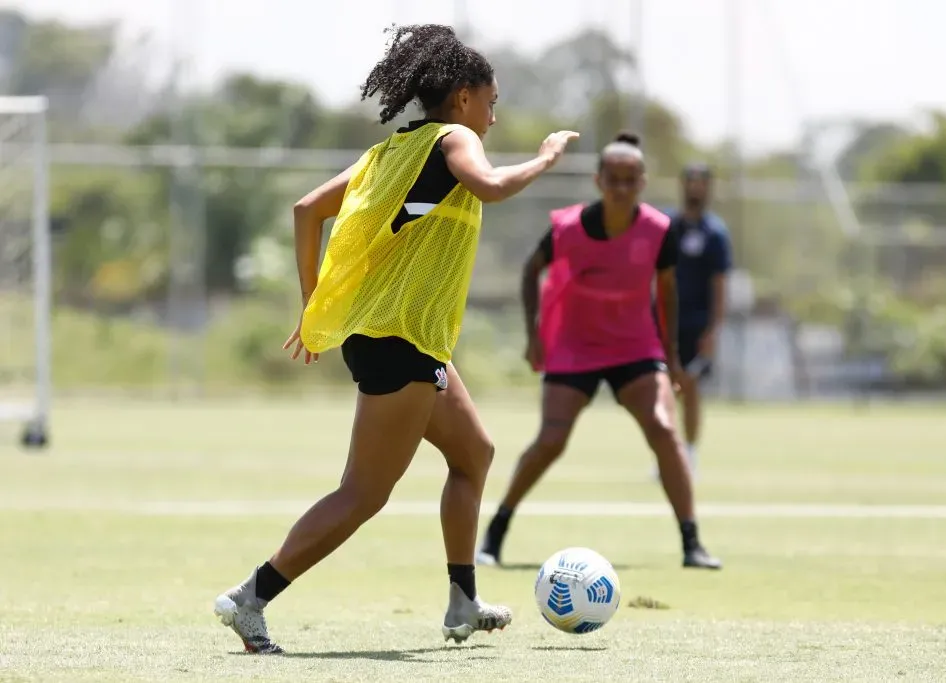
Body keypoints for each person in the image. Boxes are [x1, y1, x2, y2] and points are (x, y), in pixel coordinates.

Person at [211, 24, 579, 654]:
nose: (493, 118)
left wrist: (314, 307)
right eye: (492, 102)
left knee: (474, 454)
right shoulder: (454, 138)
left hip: (403, 337)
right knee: (364, 493)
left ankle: (462, 600)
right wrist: (545, 158)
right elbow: (489, 184)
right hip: (400, 341)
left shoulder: (387, 153)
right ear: (462, 97)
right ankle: (250, 598)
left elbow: (307, 211)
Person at [476, 133, 721, 571]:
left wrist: (672, 362)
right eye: (614, 179)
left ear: (643, 182)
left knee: (665, 431)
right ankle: (494, 536)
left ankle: (692, 544)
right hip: (575, 344)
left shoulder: (658, 231)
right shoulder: (568, 228)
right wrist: (534, 332)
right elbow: (532, 270)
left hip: (634, 345)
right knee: (551, 440)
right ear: (599, 180)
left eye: (631, 180)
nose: (622, 188)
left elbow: (665, 293)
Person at [667, 163, 731, 475]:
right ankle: (666, 453)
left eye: (701, 182)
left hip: (697, 323)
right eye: (690, 181)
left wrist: (714, 329)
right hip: (666, 321)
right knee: (662, 389)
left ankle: (689, 453)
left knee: (689, 387)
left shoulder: (715, 233)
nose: (695, 188)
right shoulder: (669, 226)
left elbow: (719, 284)